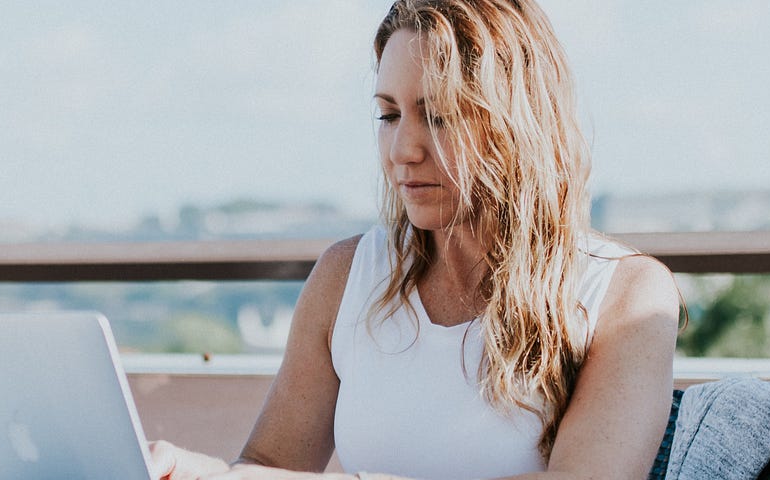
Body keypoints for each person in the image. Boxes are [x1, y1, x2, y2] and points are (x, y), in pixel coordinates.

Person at [148, 1, 681, 478]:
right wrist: (196, 471)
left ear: (517, 125)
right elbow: (268, 467)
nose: (403, 148)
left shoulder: (626, 296)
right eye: (389, 114)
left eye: (440, 116)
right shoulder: (347, 276)